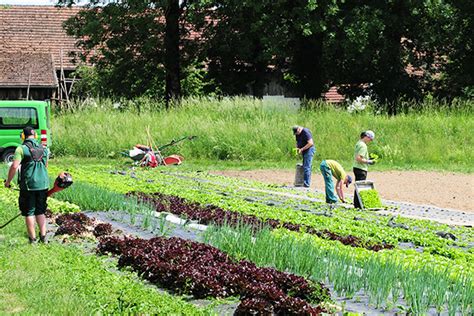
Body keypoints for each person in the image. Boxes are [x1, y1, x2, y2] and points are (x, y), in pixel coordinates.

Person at [4, 126, 49, 244]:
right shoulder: (45, 149)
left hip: (29, 185)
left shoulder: (21, 149)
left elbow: (14, 166)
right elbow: (45, 165)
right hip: (43, 184)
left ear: (23, 136)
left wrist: (8, 182)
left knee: (29, 212)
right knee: (40, 211)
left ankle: (32, 240)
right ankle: (44, 238)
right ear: (35, 136)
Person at [352, 130, 375, 208]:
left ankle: (356, 204)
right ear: (367, 137)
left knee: (358, 185)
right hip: (361, 168)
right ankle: (358, 205)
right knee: (360, 186)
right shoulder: (363, 146)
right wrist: (368, 161)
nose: (370, 141)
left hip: (356, 167)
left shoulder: (358, 143)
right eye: (370, 139)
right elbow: (359, 158)